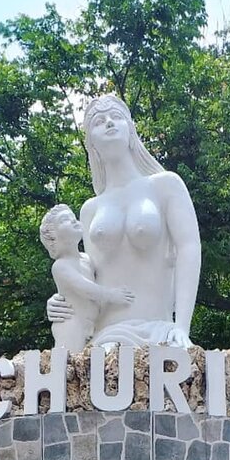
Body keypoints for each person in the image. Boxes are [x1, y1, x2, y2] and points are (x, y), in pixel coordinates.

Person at [47, 93, 201, 349]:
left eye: (116, 117)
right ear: (91, 143)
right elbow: (86, 273)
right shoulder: (90, 210)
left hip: (161, 330)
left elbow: (189, 248)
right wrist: (63, 300)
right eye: (99, 121)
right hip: (107, 337)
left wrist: (182, 326)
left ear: (131, 129)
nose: (109, 122)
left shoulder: (166, 185)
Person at [39, 203, 134, 352]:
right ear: (53, 238)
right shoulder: (60, 266)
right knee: (67, 361)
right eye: (64, 219)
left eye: (73, 217)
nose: (73, 220)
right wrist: (112, 295)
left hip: (91, 326)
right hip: (71, 322)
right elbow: (85, 288)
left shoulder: (87, 259)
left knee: (87, 362)